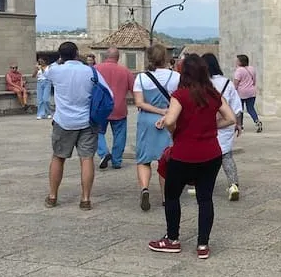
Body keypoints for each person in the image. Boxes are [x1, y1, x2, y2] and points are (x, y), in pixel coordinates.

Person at [148, 55, 237, 259]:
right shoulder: (213, 94)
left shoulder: (180, 95)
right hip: (211, 153)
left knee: (172, 196)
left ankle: (172, 239)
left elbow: (170, 120)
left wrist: (174, 130)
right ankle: (203, 244)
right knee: (205, 199)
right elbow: (231, 118)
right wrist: (211, 126)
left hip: (184, 153)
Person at [43, 42, 111, 211]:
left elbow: (46, 71)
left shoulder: (55, 71)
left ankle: (52, 196)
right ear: (76, 53)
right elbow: (108, 92)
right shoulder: (91, 71)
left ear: (60, 56)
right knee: (86, 159)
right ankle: (85, 198)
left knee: (58, 157)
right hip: (87, 121)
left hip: (63, 121)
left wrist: (59, 61)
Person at [134, 44, 180, 211]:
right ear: (165, 58)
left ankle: (144, 188)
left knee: (143, 159)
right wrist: (164, 112)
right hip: (169, 118)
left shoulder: (141, 78)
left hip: (146, 120)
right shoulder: (176, 77)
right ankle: (165, 196)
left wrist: (156, 110)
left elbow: (139, 103)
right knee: (166, 159)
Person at [204, 53, 243, 200]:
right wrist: (238, 124)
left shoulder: (203, 83)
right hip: (226, 123)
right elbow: (237, 106)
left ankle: (202, 184)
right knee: (226, 155)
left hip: (206, 124)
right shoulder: (228, 83)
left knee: (206, 155)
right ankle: (233, 185)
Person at [95, 48, 135, 170]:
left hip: (100, 107)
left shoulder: (96, 69)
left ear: (105, 56)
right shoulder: (126, 71)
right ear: (118, 57)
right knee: (119, 135)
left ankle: (103, 153)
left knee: (97, 132)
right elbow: (134, 90)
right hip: (119, 107)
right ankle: (117, 161)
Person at [233, 54, 263, 133]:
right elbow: (254, 81)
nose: (236, 61)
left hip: (241, 93)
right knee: (250, 108)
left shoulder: (239, 70)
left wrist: (233, 91)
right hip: (251, 92)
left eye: (237, 60)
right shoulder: (252, 69)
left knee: (240, 109)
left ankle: (240, 125)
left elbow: (236, 83)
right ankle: (257, 122)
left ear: (241, 62)